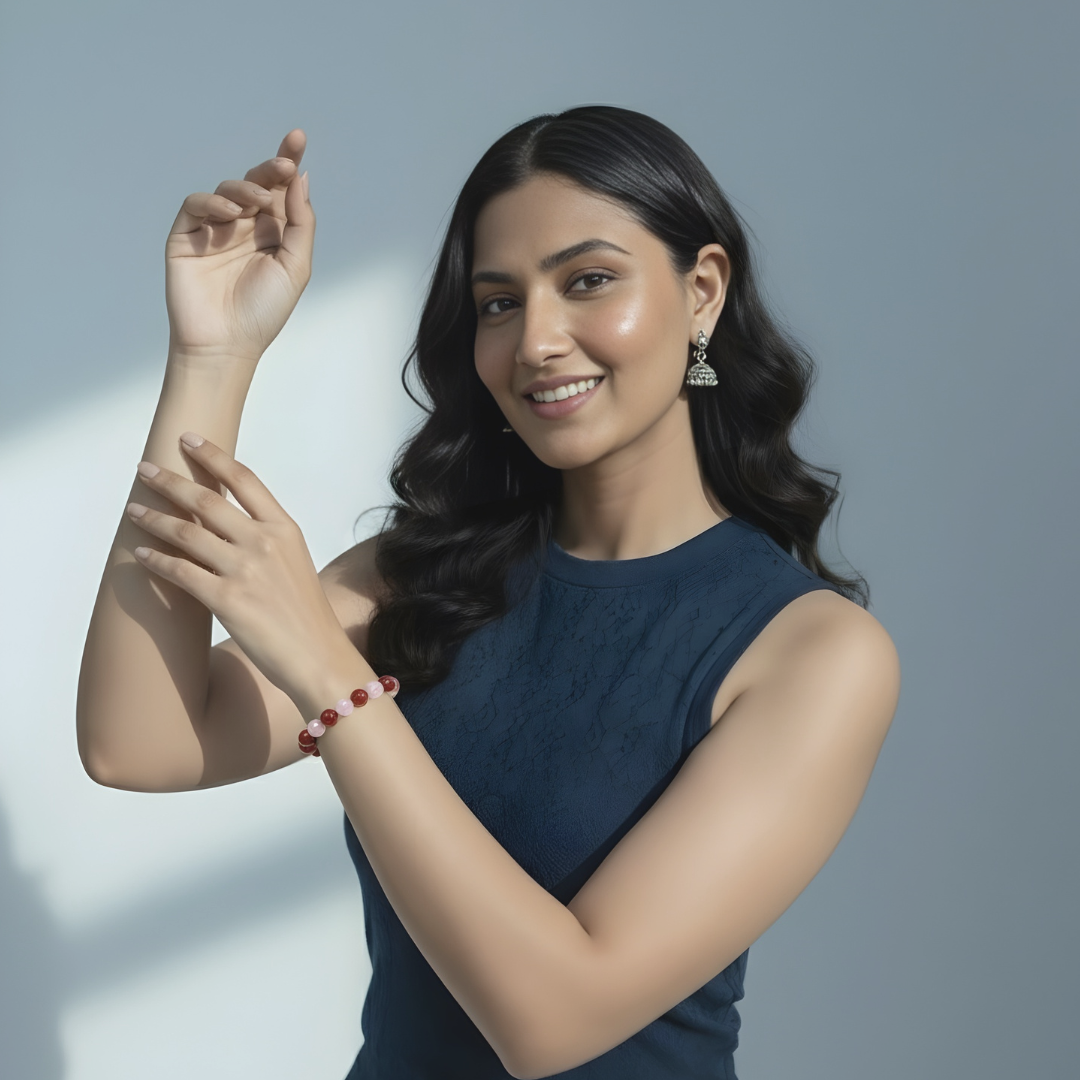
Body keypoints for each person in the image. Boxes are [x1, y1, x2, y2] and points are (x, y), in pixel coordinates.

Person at [77, 106, 900, 1079]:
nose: (536, 340)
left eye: (588, 281)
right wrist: (211, 358)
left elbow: (551, 1022)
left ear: (704, 291)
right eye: (499, 303)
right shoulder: (429, 577)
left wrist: (325, 671)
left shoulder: (812, 654)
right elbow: (138, 742)